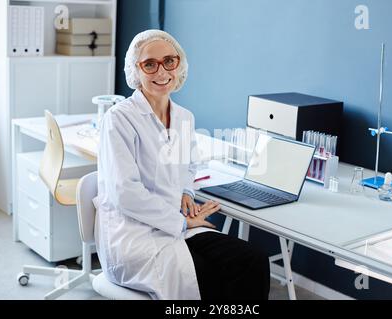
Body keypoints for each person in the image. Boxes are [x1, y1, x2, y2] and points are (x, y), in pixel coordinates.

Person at [95, 29, 269, 300]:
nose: (161, 72)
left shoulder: (183, 118)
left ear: (180, 64)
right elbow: (125, 194)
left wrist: (186, 193)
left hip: (177, 224)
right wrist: (182, 222)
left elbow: (188, 166)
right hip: (134, 236)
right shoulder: (119, 120)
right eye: (149, 64)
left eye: (169, 61)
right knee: (207, 276)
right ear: (135, 71)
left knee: (252, 260)